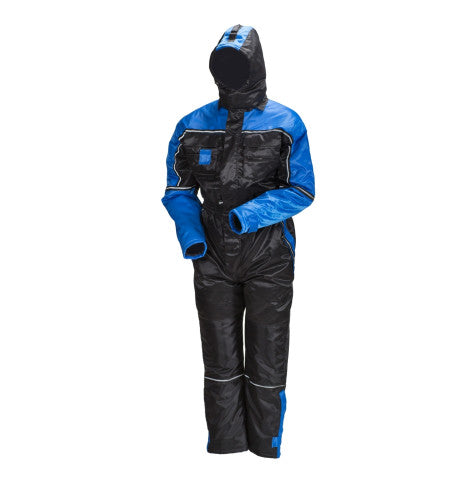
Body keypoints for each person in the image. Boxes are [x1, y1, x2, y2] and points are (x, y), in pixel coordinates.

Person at [162, 25, 315, 458]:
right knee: (218, 354)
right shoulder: (192, 125)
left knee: (267, 352)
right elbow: (177, 190)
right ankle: (227, 444)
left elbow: (301, 189)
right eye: (223, 64)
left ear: (257, 66)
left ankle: (266, 445)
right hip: (212, 254)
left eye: (239, 63)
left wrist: (247, 215)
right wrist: (193, 237)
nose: (230, 72)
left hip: (269, 253)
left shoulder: (285, 123)